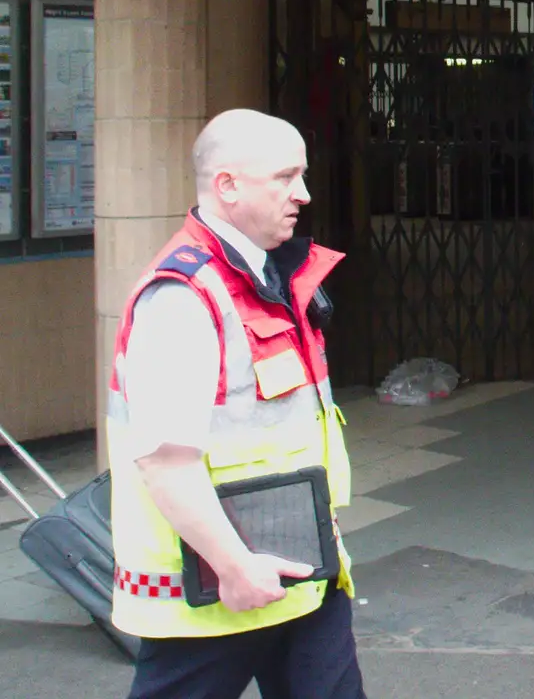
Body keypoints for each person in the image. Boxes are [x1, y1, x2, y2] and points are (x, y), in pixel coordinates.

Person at [107, 109, 365, 699]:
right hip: (218, 586)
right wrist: (232, 565)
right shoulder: (183, 295)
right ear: (227, 185)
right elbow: (163, 459)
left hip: (300, 569)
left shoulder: (265, 277)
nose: (302, 194)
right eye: (284, 177)